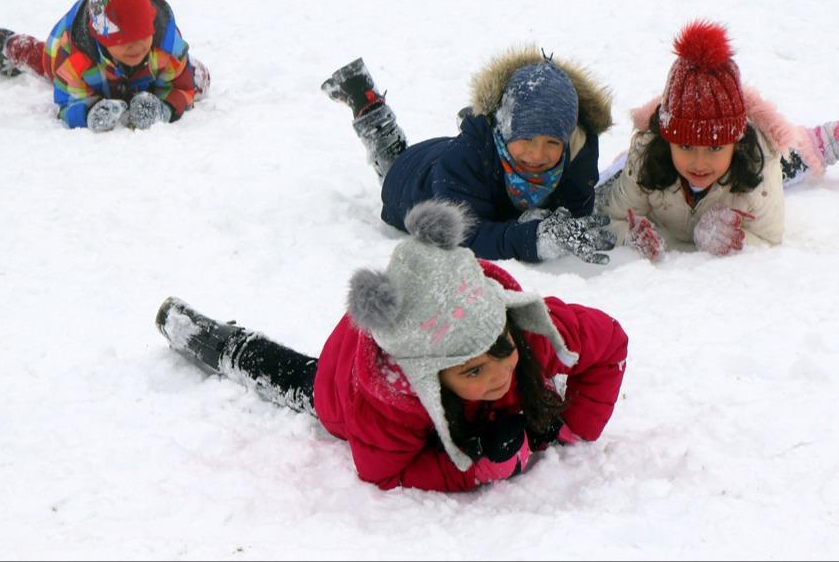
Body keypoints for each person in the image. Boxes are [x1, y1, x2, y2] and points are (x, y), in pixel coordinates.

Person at [156, 200, 629, 492]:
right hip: (344, 382)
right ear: (429, 377)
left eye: (500, 351)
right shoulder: (389, 402)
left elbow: (610, 345)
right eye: (471, 371)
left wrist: (568, 427)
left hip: (420, 319)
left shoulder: (525, 328)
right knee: (299, 380)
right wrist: (474, 468)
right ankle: (213, 341)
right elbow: (384, 472)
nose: (498, 376)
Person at [595, 20, 839, 260]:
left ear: (736, 141)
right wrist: (632, 236)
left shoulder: (758, 163)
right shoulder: (646, 160)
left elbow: (770, 237)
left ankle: (824, 141)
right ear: (668, 139)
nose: (699, 162)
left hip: (751, 166)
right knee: (617, 175)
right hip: (654, 162)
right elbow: (611, 218)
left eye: (716, 147)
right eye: (685, 146)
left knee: (790, 159)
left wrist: (731, 239)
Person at [321, 48, 617, 264]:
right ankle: (368, 105)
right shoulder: (466, 160)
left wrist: (554, 224)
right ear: (504, 129)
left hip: (459, 161)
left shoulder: (578, 153)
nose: (538, 154)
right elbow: (463, 236)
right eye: (525, 138)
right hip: (415, 181)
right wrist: (532, 238)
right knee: (392, 161)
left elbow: (576, 209)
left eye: (552, 142)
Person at [0, 0, 210, 132]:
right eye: (124, 40)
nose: (136, 46)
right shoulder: (75, 58)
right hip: (82, 66)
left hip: (148, 75)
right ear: (102, 38)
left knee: (196, 79)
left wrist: (164, 108)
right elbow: (67, 104)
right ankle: (7, 46)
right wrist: (88, 114)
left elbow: (182, 87)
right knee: (45, 62)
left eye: (142, 35)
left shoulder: (165, 46)